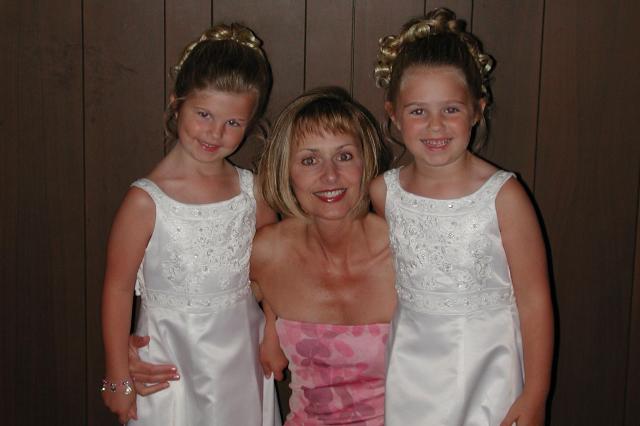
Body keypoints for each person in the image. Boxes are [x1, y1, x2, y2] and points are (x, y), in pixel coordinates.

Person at [370, 8, 554, 426]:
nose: (435, 126)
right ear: (394, 114)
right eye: (418, 111)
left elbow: (535, 300)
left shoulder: (503, 196)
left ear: (477, 110)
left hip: (488, 368)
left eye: (451, 110)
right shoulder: (384, 193)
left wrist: (536, 393)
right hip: (413, 369)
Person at [100, 23, 280, 425]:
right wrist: (117, 375)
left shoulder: (253, 192)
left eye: (233, 123)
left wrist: (273, 329)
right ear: (176, 103)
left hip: (241, 359)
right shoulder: (146, 202)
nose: (215, 132)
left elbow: (272, 272)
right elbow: (117, 288)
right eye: (204, 114)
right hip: (169, 360)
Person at [254, 87, 397, 425]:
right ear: (286, 171)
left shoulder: (406, 250)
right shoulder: (266, 252)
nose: (330, 175)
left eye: (344, 156)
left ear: (366, 162)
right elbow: (194, 317)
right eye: (309, 160)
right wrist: (131, 367)